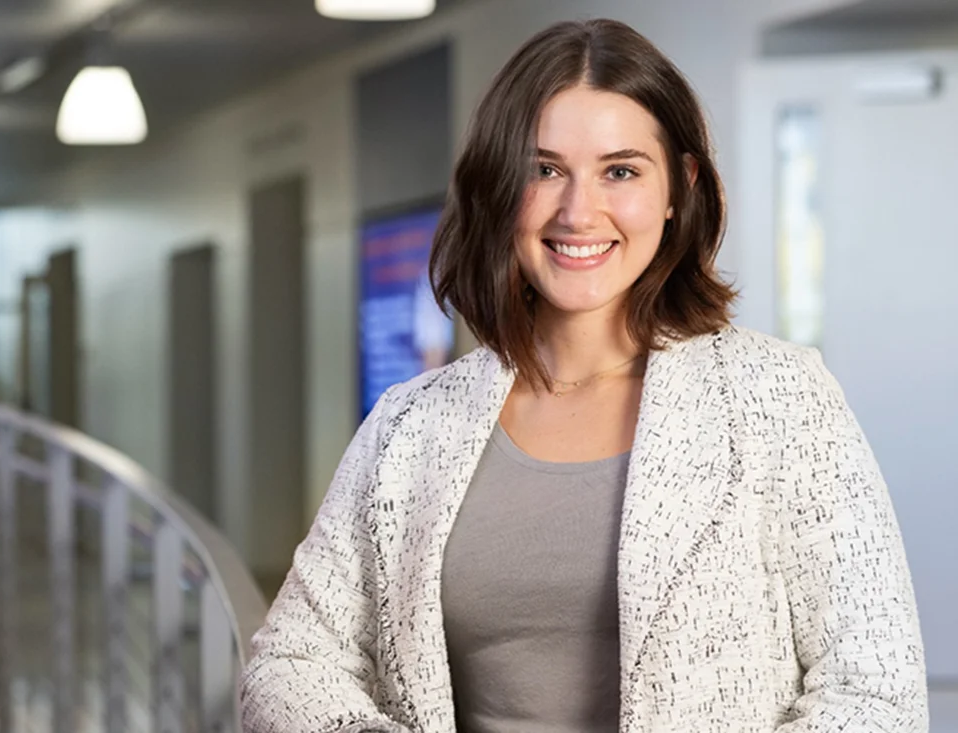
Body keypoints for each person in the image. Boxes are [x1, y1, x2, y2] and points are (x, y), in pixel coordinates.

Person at [240, 18, 927, 733]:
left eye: (621, 170)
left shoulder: (780, 398)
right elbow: (291, 661)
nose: (578, 210)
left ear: (677, 187)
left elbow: (874, 691)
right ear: (502, 187)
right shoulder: (410, 425)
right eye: (544, 169)